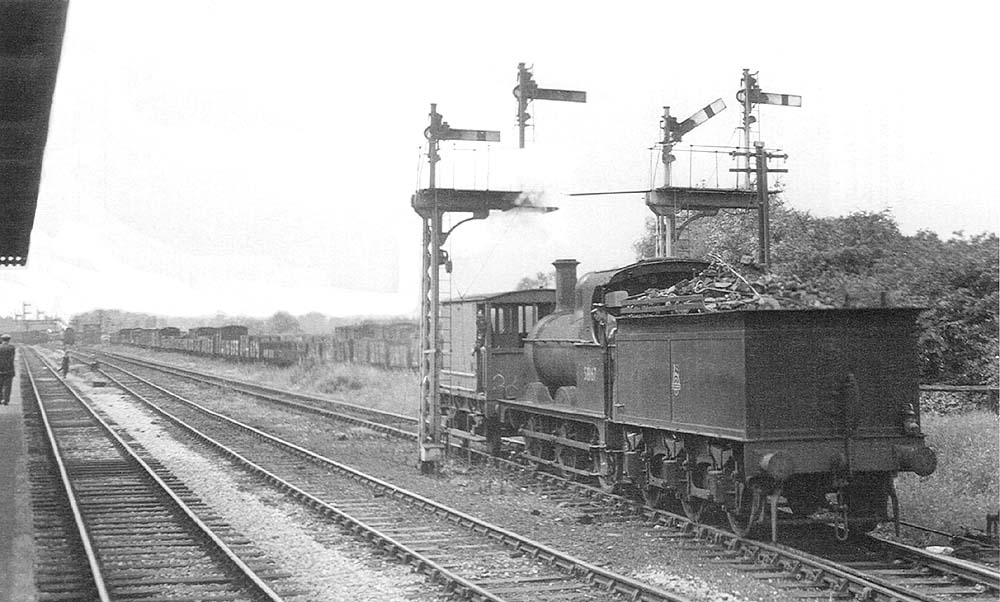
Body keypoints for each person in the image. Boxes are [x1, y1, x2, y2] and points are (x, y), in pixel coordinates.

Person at [0, 334, 15, 405]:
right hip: (9, 370)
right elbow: (12, 358)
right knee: (8, 386)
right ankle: (6, 400)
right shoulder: (11, 347)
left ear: (2, 339)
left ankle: (0, 399)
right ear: (9, 340)